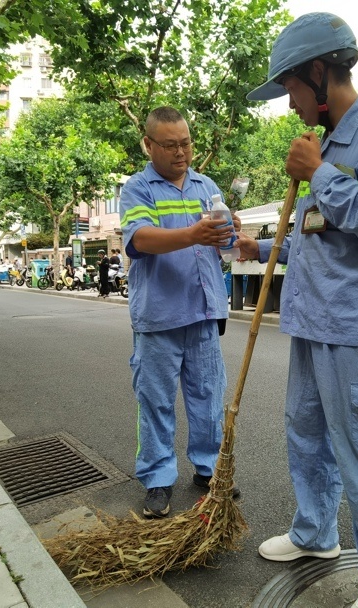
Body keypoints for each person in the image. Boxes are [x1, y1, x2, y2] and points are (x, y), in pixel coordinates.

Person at [237, 13, 358, 608]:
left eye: (289, 87)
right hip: (314, 324)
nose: (287, 103)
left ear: (319, 73)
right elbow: (319, 237)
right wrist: (259, 247)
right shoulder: (325, 142)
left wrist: (319, 175)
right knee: (306, 434)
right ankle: (315, 534)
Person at [119, 105, 241, 518]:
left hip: (204, 312)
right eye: (169, 145)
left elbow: (223, 247)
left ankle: (207, 469)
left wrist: (230, 232)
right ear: (149, 145)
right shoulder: (138, 188)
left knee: (208, 397)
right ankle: (157, 479)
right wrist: (193, 232)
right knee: (155, 401)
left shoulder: (207, 186)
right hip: (158, 316)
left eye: (186, 143)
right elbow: (139, 240)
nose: (180, 153)